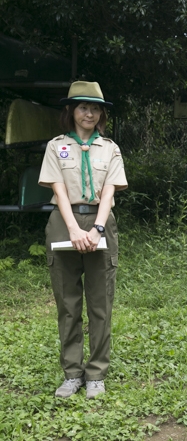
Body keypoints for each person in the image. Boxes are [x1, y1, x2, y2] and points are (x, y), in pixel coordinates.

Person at [39, 81, 128, 399]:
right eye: (82, 106)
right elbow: (58, 189)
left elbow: (108, 191)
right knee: (68, 303)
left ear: (101, 113)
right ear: (71, 111)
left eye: (94, 107)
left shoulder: (110, 148)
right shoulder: (56, 146)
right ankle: (72, 373)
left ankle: (96, 375)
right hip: (64, 223)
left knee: (100, 303)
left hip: (100, 223)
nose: (88, 113)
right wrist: (74, 229)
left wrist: (97, 229)